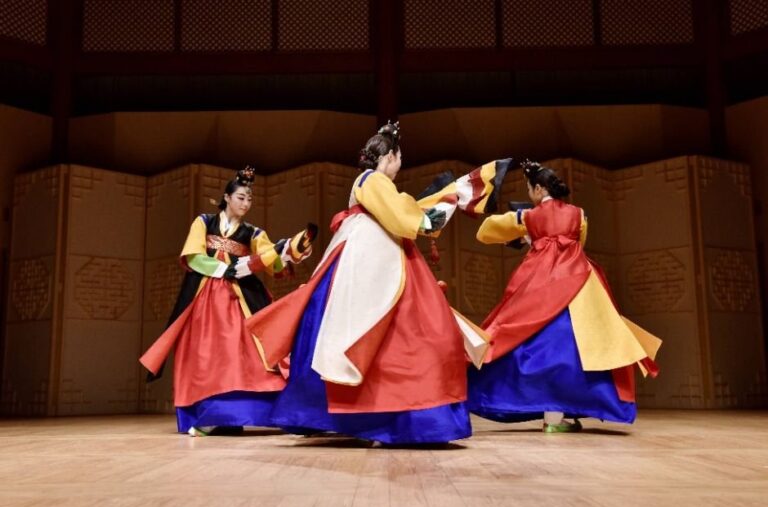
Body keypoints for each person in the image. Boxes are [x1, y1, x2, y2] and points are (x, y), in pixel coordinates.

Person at [246, 123, 494, 445]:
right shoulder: (374, 180)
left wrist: (433, 205)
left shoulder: (367, 182)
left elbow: (398, 211)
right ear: (389, 156)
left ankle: (349, 413)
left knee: (344, 324)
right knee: (387, 323)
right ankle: (392, 416)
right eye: (399, 156)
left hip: (363, 248)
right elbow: (400, 216)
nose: (400, 163)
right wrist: (430, 216)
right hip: (373, 253)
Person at [468, 161, 661, 432]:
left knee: (527, 339)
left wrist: (529, 234)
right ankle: (564, 413)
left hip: (541, 282)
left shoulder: (529, 216)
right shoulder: (579, 214)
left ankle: (545, 412)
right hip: (578, 284)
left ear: (538, 188)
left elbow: (485, 232)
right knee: (582, 346)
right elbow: (579, 244)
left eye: (529, 188)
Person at [140, 166, 315, 436]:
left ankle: (256, 413)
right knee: (204, 355)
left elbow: (273, 262)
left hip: (240, 298)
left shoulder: (253, 233)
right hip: (204, 296)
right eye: (241, 197)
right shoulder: (203, 222)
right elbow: (193, 257)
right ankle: (208, 417)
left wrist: (292, 251)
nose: (246, 203)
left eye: (250, 199)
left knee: (245, 356)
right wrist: (226, 269)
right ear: (227, 197)